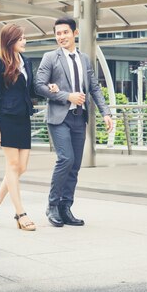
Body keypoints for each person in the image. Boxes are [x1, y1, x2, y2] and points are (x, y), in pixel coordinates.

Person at [35, 18, 114, 227]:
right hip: (59, 118)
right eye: (58, 33)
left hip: (79, 118)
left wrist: (106, 113)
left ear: (75, 33)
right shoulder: (50, 57)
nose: (61, 37)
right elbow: (39, 86)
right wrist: (66, 96)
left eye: (65, 32)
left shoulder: (85, 59)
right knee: (66, 159)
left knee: (75, 165)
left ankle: (65, 207)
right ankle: (52, 206)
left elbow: (94, 88)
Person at [0, 23, 40, 231]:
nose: (24, 41)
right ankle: (20, 214)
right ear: (10, 41)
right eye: (21, 38)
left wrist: (48, 88)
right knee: (13, 165)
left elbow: (30, 90)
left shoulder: (26, 61)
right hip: (6, 119)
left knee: (21, 167)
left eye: (24, 37)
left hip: (23, 117)